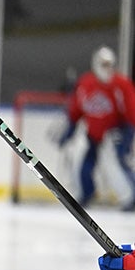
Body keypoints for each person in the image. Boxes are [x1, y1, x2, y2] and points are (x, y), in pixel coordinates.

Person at [57, 46, 135, 210]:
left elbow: (130, 111)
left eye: (110, 64)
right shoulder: (86, 83)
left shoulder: (121, 84)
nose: (107, 68)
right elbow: (77, 109)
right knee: (81, 161)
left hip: (115, 132)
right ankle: (86, 193)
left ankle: (131, 196)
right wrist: (70, 129)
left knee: (117, 163)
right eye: (104, 64)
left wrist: (128, 134)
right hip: (93, 134)